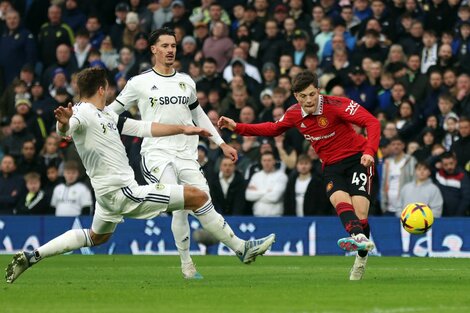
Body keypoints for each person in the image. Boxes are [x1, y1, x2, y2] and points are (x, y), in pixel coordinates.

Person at [5, 67, 275, 284]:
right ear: (103, 88)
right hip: (123, 191)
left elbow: (147, 127)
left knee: (97, 237)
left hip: (107, 196)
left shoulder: (108, 116)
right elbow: (69, 128)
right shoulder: (83, 113)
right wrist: (63, 123)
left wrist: (184, 129)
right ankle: (242, 248)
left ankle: (33, 255)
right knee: (197, 196)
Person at [218, 70, 380, 280]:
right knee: (340, 200)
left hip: (358, 159)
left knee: (360, 214)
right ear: (296, 96)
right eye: (303, 96)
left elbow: (372, 122)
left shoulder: (336, 104)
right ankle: (358, 236)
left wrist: (369, 152)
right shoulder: (294, 113)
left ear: (318, 91)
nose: (309, 100)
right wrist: (237, 127)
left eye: (312, 94)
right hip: (331, 166)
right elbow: (273, 128)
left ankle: (360, 258)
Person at [108, 28, 241, 279]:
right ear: (153, 49)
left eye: (174, 46)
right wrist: (133, 128)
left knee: (197, 200)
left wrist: (221, 143)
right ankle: (190, 262)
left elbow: (199, 115)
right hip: (157, 153)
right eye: (165, 46)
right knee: (178, 201)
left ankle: (200, 262)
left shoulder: (187, 81)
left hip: (187, 155)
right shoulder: (139, 83)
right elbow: (111, 112)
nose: (171, 50)